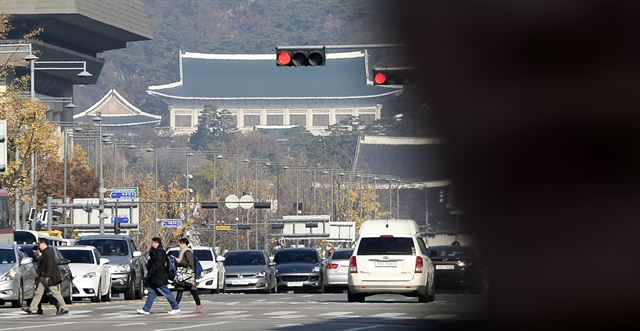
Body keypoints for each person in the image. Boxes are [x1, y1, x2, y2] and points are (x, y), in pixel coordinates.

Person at [22, 238, 68, 315]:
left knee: (55, 293)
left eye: (39, 244)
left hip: (49, 277)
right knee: (38, 292)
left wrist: (47, 276)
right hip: (43, 277)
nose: (39, 246)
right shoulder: (44, 253)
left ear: (44, 244)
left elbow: (50, 265)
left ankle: (64, 308)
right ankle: (32, 308)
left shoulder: (48, 253)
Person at [137, 237, 180, 315]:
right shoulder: (154, 252)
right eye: (152, 243)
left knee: (166, 292)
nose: (152, 244)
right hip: (155, 277)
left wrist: (149, 274)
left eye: (154, 243)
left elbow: (157, 265)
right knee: (151, 292)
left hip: (159, 277)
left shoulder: (160, 252)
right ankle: (146, 309)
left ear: (158, 243)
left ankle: (175, 307)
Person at [174, 238, 203, 313]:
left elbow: (190, 264)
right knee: (180, 290)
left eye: (180, 243)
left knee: (193, 291)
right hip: (184, 274)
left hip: (188, 274)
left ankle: (199, 306)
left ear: (184, 243)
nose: (179, 245)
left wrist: (180, 261)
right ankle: (175, 307)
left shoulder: (187, 252)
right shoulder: (182, 251)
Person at [31, 245, 59, 315]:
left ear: (38, 250)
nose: (34, 254)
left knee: (50, 294)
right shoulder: (38, 258)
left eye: (35, 252)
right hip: (41, 278)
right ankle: (35, 309)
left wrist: (46, 276)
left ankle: (59, 306)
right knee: (38, 293)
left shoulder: (44, 256)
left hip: (46, 278)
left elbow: (46, 267)